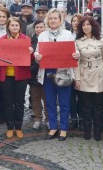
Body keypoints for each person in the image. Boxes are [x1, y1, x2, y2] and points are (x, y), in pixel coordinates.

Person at [34, 9, 80, 141]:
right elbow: (37, 52)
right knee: (50, 102)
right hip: (48, 71)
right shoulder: (42, 35)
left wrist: (76, 55)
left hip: (63, 72)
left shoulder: (68, 35)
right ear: (47, 20)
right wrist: (37, 56)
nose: (53, 20)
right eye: (51, 18)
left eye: (55, 18)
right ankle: (53, 127)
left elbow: (75, 52)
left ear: (60, 20)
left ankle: (64, 128)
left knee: (64, 102)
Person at [0, 17, 33, 138]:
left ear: (20, 27)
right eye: (12, 25)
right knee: (8, 102)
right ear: (8, 27)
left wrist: (31, 53)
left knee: (19, 102)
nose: (14, 27)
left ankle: (18, 127)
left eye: (16, 25)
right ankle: (10, 126)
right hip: (6, 75)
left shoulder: (26, 39)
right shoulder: (0, 40)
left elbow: (31, 60)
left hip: (21, 76)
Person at [74, 16, 103, 141]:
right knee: (86, 106)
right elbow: (76, 62)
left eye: (88, 24)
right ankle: (87, 131)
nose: (86, 27)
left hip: (99, 76)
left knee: (98, 106)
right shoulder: (77, 41)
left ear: (93, 26)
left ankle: (98, 132)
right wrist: (77, 78)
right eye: (83, 25)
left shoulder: (101, 40)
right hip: (85, 75)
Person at [29, 20, 46, 129]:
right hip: (33, 72)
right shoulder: (30, 41)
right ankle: (37, 118)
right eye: (37, 27)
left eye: (41, 27)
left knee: (47, 97)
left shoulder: (47, 39)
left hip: (45, 72)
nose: (39, 29)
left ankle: (49, 118)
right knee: (35, 97)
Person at [69, 13, 84, 129]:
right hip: (70, 71)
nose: (75, 23)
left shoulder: (85, 37)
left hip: (82, 71)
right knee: (71, 97)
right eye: (73, 21)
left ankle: (83, 118)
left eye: (78, 21)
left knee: (82, 96)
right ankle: (74, 118)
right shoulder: (67, 35)